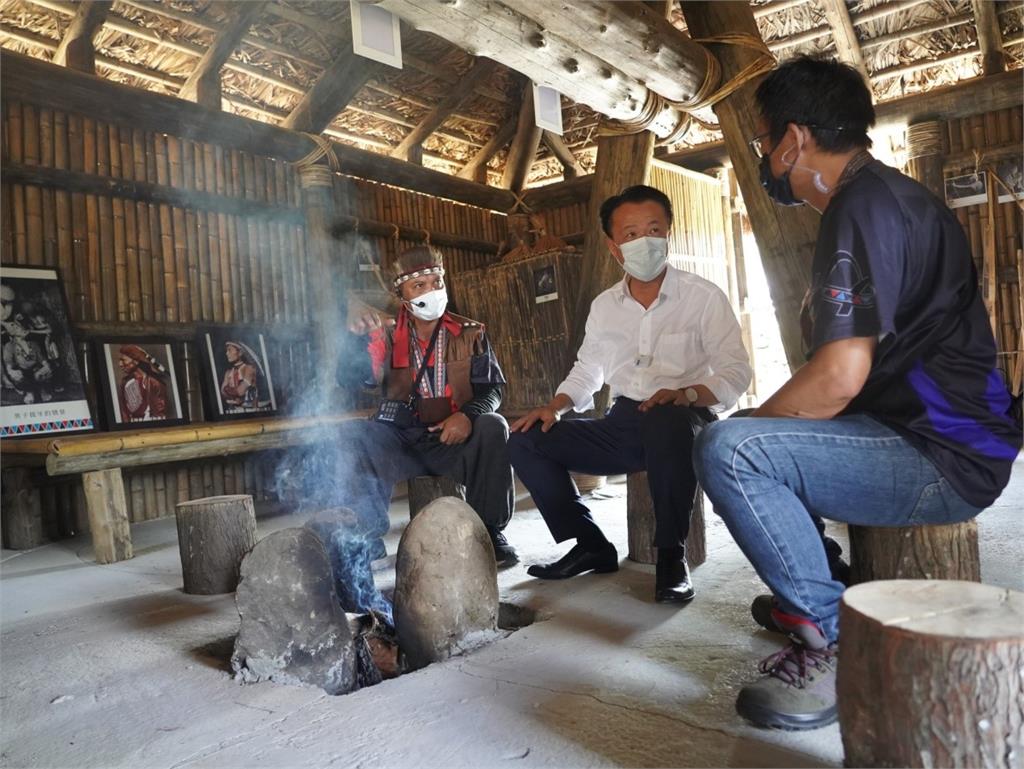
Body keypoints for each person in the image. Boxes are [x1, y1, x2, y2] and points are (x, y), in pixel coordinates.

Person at [693, 55, 1022, 731]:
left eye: (762, 145)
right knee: (768, 436)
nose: (765, 159)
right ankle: (819, 581)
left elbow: (840, 376)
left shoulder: (860, 207)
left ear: (793, 140)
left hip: (942, 455)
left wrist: (756, 421)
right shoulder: (889, 198)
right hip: (942, 437)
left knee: (733, 448)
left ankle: (833, 638)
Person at [508, 185, 752, 604]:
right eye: (631, 233)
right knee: (526, 437)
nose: (644, 241)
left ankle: (672, 555)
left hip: (685, 417)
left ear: (669, 233)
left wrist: (688, 392)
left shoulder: (703, 297)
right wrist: (555, 406)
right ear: (613, 246)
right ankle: (590, 545)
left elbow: (736, 372)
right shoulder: (605, 306)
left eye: (654, 229)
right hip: (623, 423)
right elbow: (589, 369)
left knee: (666, 420)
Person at [337, 244, 516, 581]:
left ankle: (490, 531)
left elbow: (493, 389)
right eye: (419, 286)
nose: (431, 291)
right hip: (403, 439)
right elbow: (350, 381)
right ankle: (365, 538)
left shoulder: (471, 333)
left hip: (453, 439)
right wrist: (353, 341)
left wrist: (468, 415)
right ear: (401, 295)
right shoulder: (386, 337)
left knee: (493, 425)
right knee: (357, 434)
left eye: (436, 282)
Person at [117, 344, 168, 422]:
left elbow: (160, 414)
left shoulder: (154, 383)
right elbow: (124, 413)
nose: (120, 364)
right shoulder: (125, 382)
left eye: (123, 360)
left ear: (136, 361)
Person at [220, 341, 262, 412]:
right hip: (234, 410)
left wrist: (227, 390)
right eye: (226, 351)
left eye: (229, 350)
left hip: (251, 411)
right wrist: (231, 392)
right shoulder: (228, 372)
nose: (226, 353)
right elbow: (222, 392)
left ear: (240, 353)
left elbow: (240, 391)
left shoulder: (249, 368)